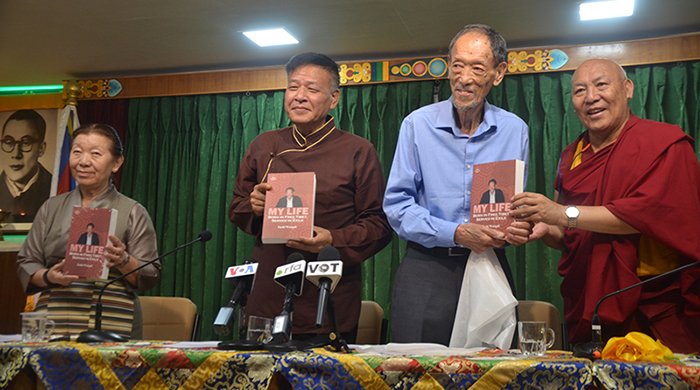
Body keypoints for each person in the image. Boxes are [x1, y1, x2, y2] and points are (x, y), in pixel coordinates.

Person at [510, 59, 700, 353]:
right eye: (579, 91)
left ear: (627, 89)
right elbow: (569, 235)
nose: (591, 97)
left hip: (654, 304)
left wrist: (561, 214)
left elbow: (642, 215)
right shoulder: (571, 156)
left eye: (601, 85)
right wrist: (545, 227)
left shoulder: (664, 143)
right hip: (592, 305)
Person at [383, 24, 532, 345]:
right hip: (426, 266)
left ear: (498, 73)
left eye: (477, 68)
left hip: (489, 265)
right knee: (414, 370)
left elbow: (515, 207)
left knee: (492, 372)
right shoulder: (417, 125)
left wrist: (518, 228)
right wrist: (455, 233)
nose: (463, 78)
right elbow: (396, 207)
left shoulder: (514, 130)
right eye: (457, 65)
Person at [229, 52, 392, 343]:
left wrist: (332, 240)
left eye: (312, 89)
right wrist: (253, 207)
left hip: (327, 297)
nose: (300, 96)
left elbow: (378, 226)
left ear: (333, 99)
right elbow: (237, 207)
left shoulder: (357, 150)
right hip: (268, 295)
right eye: (293, 87)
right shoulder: (264, 144)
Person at [16, 123, 160, 339]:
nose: (83, 161)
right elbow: (26, 262)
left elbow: (151, 274)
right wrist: (50, 275)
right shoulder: (51, 207)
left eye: (95, 154)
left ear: (116, 162)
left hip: (112, 315)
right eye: (77, 152)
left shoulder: (132, 211)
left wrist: (124, 261)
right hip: (54, 311)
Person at [0, 110, 52, 221]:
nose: (16, 154)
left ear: (41, 149)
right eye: (8, 143)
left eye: (25, 143)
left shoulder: (55, 189)